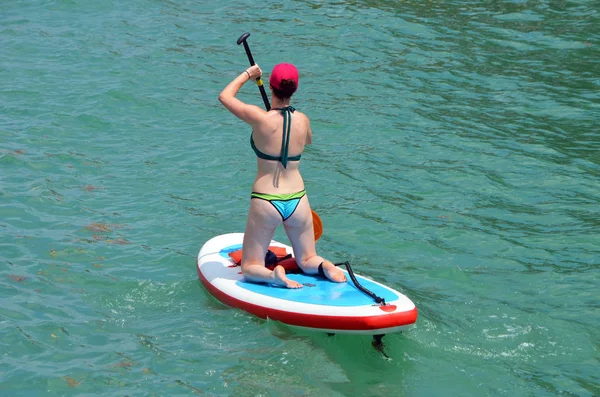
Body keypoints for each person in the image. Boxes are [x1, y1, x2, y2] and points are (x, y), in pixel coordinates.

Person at [218, 63, 347, 289]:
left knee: (250, 265)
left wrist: (249, 74)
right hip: (298, 200)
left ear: (270, 87)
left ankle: (273, 276)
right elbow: (307, 140)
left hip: (266, 200)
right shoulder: (303, 120)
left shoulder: (260, 118)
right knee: (306, 259)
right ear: (294, 90)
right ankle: (325, 265)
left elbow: (225, 96)